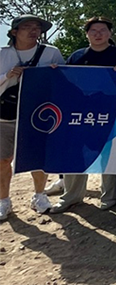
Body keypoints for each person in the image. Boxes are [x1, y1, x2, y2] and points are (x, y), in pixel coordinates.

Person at [51, 17, 116, 213]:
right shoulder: (77, 57)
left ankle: (110, 196)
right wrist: (55, 72)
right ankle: (71, 196)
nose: (98, 34)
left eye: (102, 30)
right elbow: (67, 82)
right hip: (79, 113)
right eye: (93, 31)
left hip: (111, 112)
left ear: (110, 33)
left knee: (108, 152)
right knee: (74, 152)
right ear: (87, 34)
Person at [0, 15, 65, 219]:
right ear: (14, 32)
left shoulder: (51, 52)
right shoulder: (2, 54)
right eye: (27, 26)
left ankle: (39, 195)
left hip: (37, 115)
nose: (33, 30)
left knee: (37, 158)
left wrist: (55, 73)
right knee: (3, 160)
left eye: (37, 27)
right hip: (5, 114)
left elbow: (64, 81)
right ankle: (3, 201)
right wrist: (7, 76)